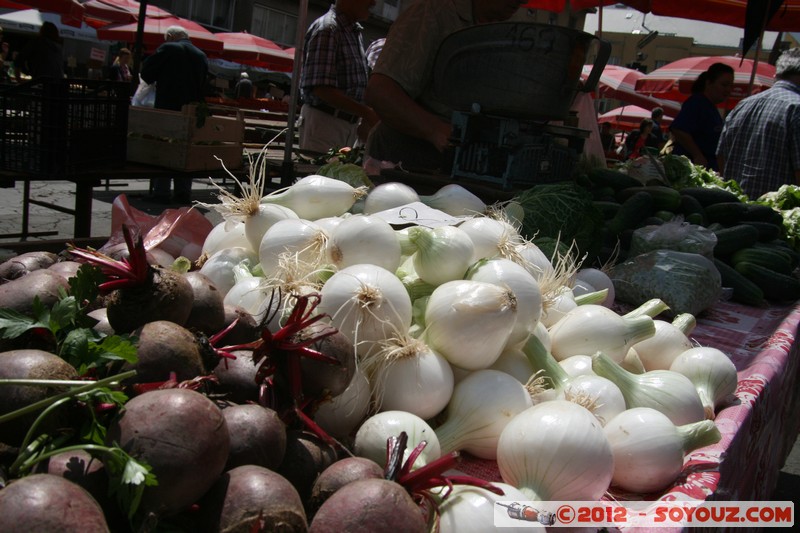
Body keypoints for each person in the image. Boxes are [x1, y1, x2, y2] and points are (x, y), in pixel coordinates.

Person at [364, 0, 526, 172]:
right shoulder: (433, 13)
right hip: (401, 163)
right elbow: (380, 92)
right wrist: (435, 130)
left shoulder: (500, 34)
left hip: (458, 168)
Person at [717, 48, 800, 199]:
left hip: (733, 209)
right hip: (775, 217)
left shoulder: (743, 104)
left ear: (776, 74)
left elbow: (721, 157)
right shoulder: (796, 108)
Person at [299, 0, 380, 154]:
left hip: (345, 124)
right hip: (326, 123)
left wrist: (362, 117)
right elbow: (322, 88)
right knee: (323, 176)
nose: (373, 2)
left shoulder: (352, 31)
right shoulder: (328, 29)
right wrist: (366, 113)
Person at [140, 26, 209, 204]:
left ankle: (161, 191)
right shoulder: (201, 55)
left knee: (165, 148)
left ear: (170, 37)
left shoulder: (168, 48)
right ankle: (183, 192)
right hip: (191, 110)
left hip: (167, 107)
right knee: (185, 149)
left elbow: (147, 73)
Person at [669, 62, 734, 171]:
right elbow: (679, 129)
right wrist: (697, 155)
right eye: (724, 85)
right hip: (690, 170)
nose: (728, 90)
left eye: (731, 86)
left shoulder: (711, 108)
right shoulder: (697, 103)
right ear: (708, 83)